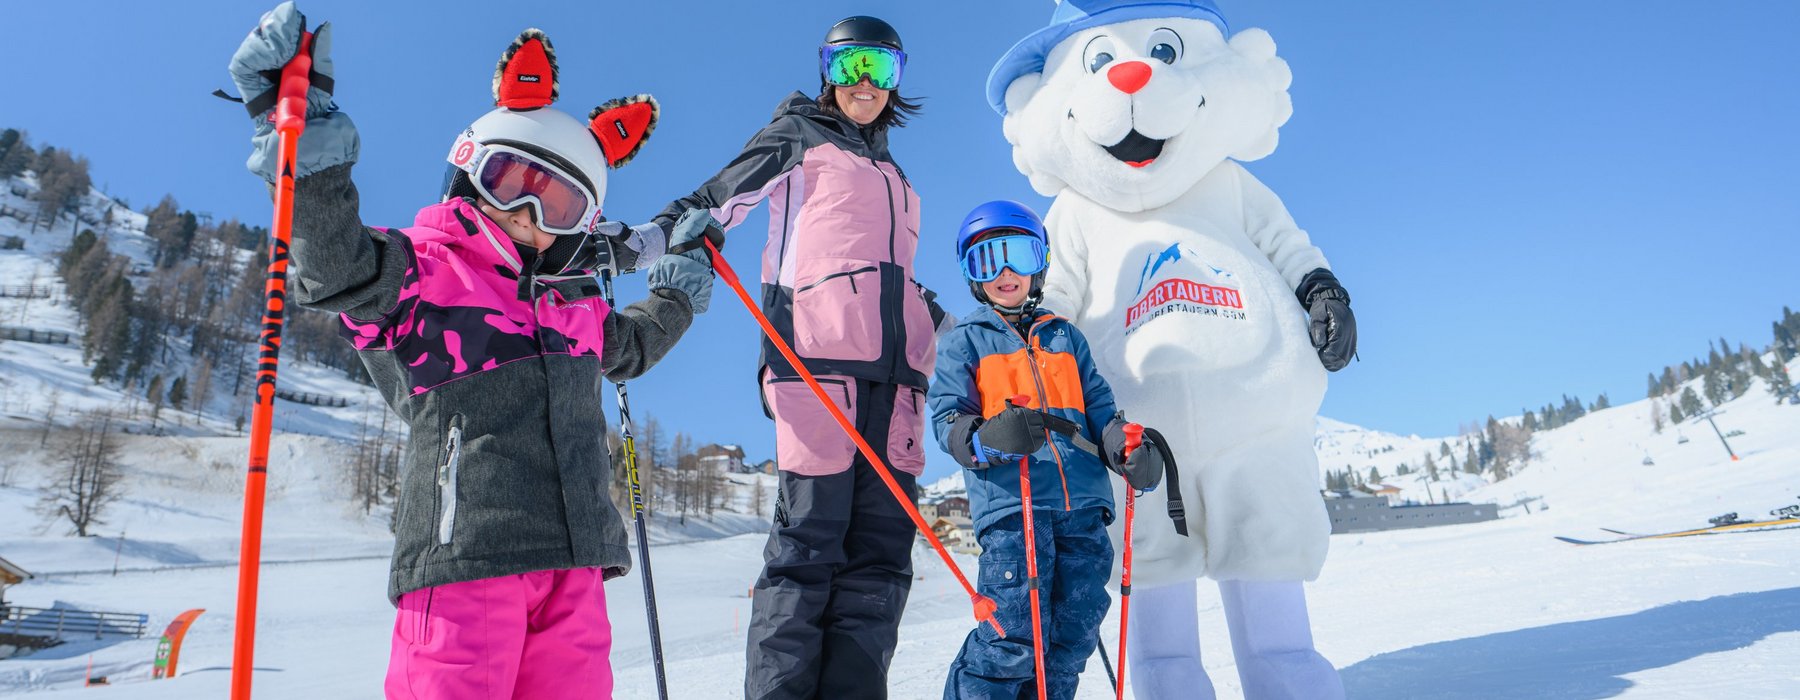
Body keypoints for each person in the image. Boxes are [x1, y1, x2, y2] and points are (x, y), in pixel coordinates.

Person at [226, 6, 712, 697]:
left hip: (577, 562)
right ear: (470, 174)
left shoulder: (575, 304)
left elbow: (629, 349)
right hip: (467, 555)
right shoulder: (425, 268)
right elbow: (337, 268)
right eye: (511, 184)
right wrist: (313, 162)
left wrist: (680, 292)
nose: (529, 217)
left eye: (560, 208)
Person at [613, 14, 945, 700]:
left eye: (880, 69)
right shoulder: (798, 135)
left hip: (900, 383)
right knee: (808, 549)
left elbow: (889, 276)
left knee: (881, 559)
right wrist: (641, 245)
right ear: (827, 71)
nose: (865, 82)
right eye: (850, 64)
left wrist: (938, 323)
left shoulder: (893, 169)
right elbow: (715, 200)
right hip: (819, 366)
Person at [928, 201, 1168, 700]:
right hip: (1015, 510)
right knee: (1011, 635)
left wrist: (1123, 449)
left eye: (1017, 253)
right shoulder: (966, 343)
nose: (1005, 271)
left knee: (1073, 635)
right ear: (972, 275)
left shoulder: (1065, 337)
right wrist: (987, 437)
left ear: (1040, 262)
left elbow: (1100, 408)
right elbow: (948, 421)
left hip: (1082, 509)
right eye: (986, 259)